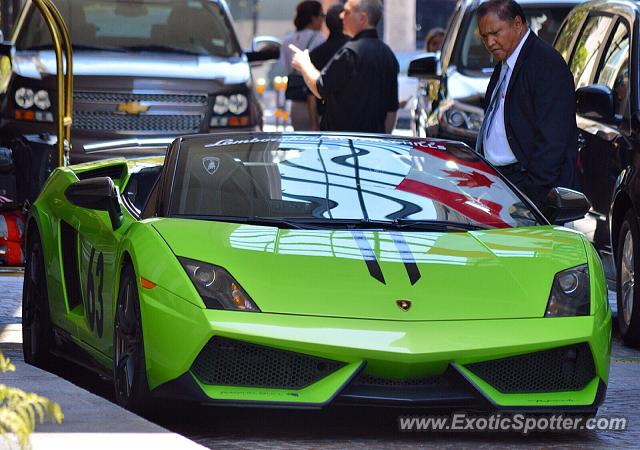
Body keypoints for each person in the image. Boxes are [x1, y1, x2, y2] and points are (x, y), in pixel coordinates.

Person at [475, 0, 579, 208]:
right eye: (485, 37)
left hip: (530, 191)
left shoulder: (545, 63)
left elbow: (552, 140)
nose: (490, 42)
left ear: (518, 24)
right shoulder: (506, 62)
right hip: (503, 183)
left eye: (496, 33)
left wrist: (532, 194)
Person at [290, 0, 399, 133]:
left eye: (347, 12)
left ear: (362, 18)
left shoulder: (349, 53)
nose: (341, 16)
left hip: (341, 144)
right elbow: (391, 110)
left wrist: (304, 63)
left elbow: (320, 88)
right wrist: (382, 142)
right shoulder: (388, 55)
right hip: (373, 144)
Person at [279, 1, 326, 130]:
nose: (323, 20)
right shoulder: (321, 39)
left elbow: (285, 66)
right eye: (322, 15)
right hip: (316, 103)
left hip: (295, 102)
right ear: (313, 18)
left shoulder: (287, 41)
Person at [309, 3, 350, 127]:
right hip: (353, 114)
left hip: (325, 116)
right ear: (345, 22)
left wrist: (314, 124)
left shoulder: (316, 53)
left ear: (326, 24)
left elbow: (310, 94)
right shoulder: (354, 51)